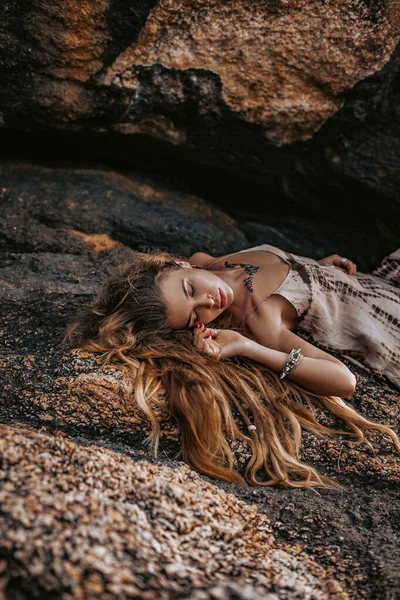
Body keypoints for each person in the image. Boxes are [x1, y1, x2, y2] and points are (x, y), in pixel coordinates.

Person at [67, 244, 400, 488]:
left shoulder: (208, 262)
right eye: (196, 315)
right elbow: (344, 381)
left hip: (378, 282)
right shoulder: (262, 319)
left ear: (179, 264)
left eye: (191, 288)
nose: (209, 302)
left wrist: (316, 267)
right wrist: (249, 348)